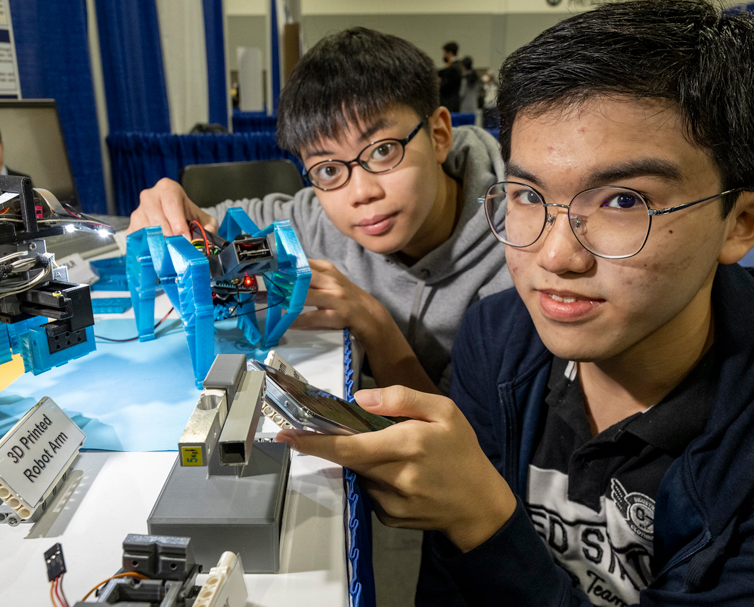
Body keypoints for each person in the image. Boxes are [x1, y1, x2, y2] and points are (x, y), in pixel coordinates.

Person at [276, 0, 754, 606]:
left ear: (742, 222)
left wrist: (485, 523)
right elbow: (449, 590)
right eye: (527, 195)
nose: (556, 257)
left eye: (621, 201)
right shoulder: (499, 338)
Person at [129, 28, 511, 395]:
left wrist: (373, 324)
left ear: (439, 135)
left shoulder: (518, 257)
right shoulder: (316, 217)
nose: (361, 193)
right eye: (329, 169)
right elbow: (217, 222)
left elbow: (465, 443)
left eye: (382, 151)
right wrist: (172, 208)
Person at [438, 41, 462, 112]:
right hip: (452, 103)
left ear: (449, 53)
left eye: (445, 53)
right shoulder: (457, 66)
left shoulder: (453, 69)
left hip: (449, 104)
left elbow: (444, 86)